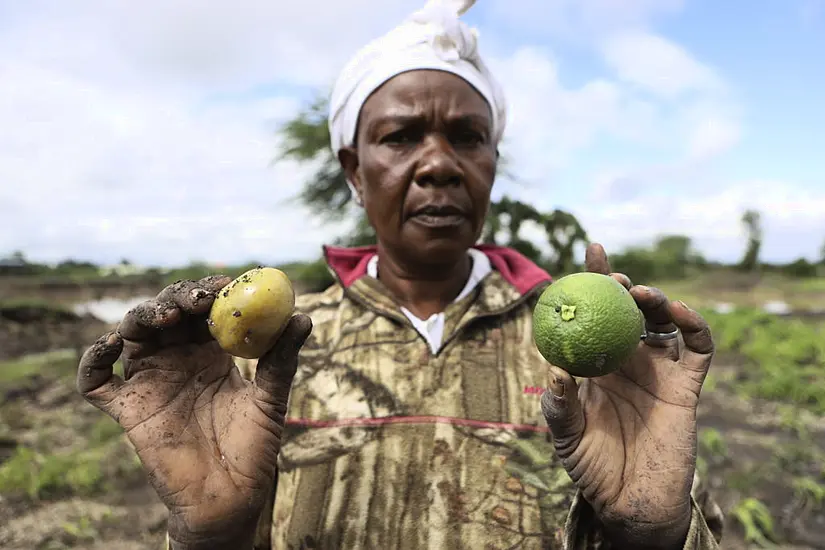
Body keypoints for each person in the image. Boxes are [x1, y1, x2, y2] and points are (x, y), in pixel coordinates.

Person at [76, 0, 725, 548]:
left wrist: (652, 534)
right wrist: (213, 536)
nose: (438, 164)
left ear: (492, 165)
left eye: (467, 138)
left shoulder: (596, 363)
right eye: (401, 137)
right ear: (354, 171)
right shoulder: (268, 354)